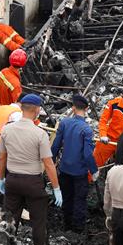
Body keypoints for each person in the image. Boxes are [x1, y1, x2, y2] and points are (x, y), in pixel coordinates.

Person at [0, 93, 62, 245]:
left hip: (12, 180)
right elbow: (48, 164)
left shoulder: (7, 129)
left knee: (9, 221)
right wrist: (56, 188)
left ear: (21, 108)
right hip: (33, 182)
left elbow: (2, 157)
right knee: (38, 223)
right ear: (37, 110)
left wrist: (0, 179)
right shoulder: (40, 134)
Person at [51, 93, 98, 232]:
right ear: (87, 109)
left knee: (67, 197)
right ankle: (78, 229)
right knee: (79, 200)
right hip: (79, 172)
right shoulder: (87, 130)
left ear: (73, 108)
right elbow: (88, 154)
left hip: (64, 169)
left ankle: (66, 225)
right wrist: (94, 170)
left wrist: (51, 162)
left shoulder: (65, 123)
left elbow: (55, 146)